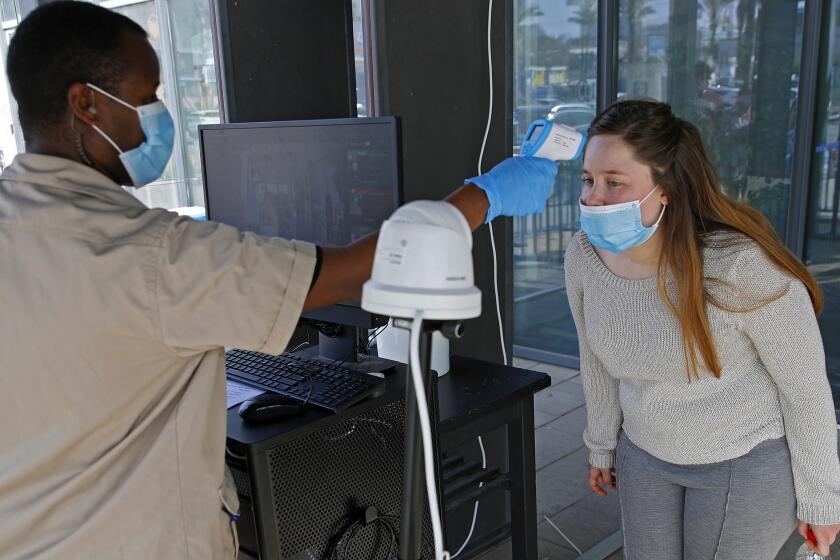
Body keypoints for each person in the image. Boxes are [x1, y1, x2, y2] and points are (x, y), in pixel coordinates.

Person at [0, 2, 558, 558]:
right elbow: (345, 270)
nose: (157, 114)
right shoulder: (148, 254)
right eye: (146, 98)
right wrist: (489, 194)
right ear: (86, 104)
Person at [564, 99, 840, 558]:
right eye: (588, 180)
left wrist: (821, 497)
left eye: (614, 182)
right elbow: (593, 358)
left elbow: (806, 391)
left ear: (665, 190)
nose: (594, 198)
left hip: (743, 463)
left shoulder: (739, 266)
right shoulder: (583, 256)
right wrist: (600, 445)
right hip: (646, 456)